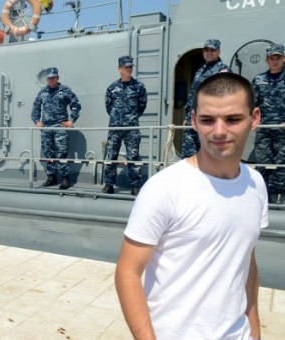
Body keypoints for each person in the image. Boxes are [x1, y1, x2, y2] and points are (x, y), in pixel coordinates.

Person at [115, 72, 267, 339]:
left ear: (254, 119)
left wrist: (254, 330)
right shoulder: (164, 189)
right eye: (208, 120)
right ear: (194, 121)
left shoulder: (255, 184)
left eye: (233, 119)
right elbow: (127, 272)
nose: (219, 131)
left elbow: (247, 261)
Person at [102, 56, 147, 196]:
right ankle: (109, 184)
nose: (129, 69)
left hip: (131, 128)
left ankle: (135, 186)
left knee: (133, 157)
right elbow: (108, 106)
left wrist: (131, 118)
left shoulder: (139, 87)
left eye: (131, 66)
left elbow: (142, 106)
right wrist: (118, 119)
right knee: (111, 156)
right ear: (119, 69)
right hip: (115, 128)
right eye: (126, 67)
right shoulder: (112, 88)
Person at [31, 67, 82, 190]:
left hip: (60, 126)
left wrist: (71, 120)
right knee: (48, 153)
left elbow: (76, 105)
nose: (51, 80)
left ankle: (65, 178)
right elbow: (35, 108)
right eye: (49, 78)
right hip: (46, 128)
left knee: (62, 153)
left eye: (53, 77)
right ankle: (51, 177)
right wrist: (37, 121)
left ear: (58, 77)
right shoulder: (42, 92)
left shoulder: (65, 91)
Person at [181, 38, 230, 158]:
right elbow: (193, 95)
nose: (209, 53)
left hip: (208, 121)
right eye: (206, 50)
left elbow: (223, 96)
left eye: (212, 50)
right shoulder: (200, 70)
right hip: (193, 121)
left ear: (218, 51)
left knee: (209, 155)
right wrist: (188, 117)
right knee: (189, 155)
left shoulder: (222, 70)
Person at [252, 43, 285, 204]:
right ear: (267, 60)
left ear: (283, 58)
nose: (275, 61)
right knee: (263, 166)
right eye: (272, 58)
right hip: (264, 131)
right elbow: (252, 104)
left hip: (283, 132)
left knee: (282, 167)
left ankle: (280, 203)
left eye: (278, 57)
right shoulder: (259, 80)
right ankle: (263, 201)